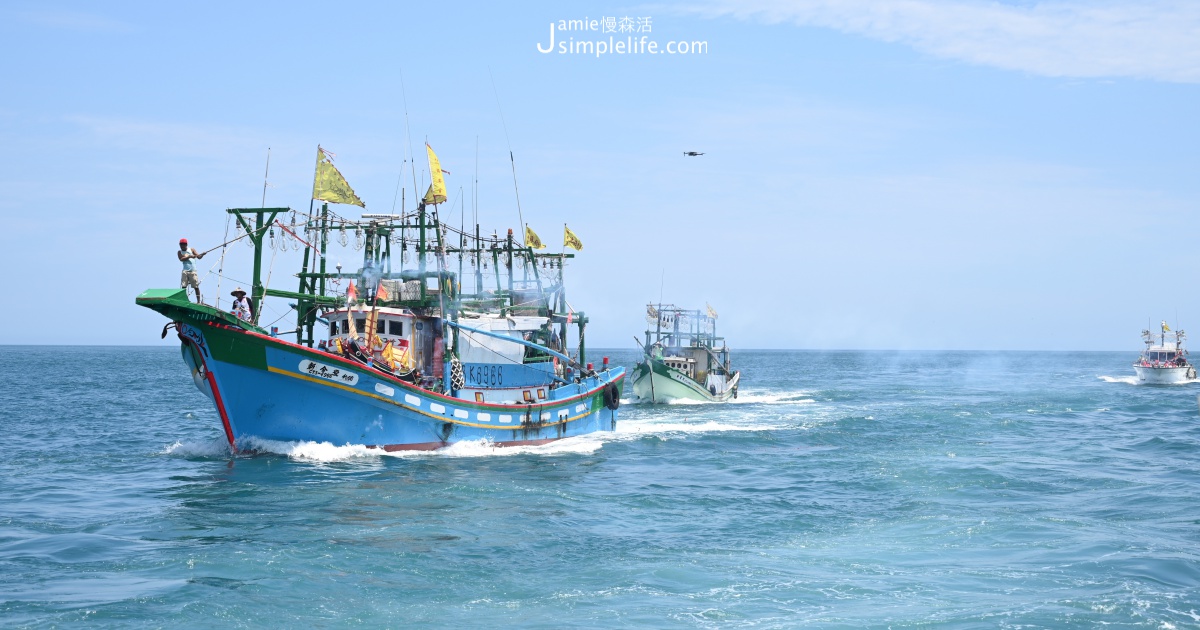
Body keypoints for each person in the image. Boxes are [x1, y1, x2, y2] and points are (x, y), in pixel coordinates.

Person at [178, 238, 205, 303]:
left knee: (196, 286)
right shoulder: (179, 252)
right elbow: (181, 259)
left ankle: (198, 301)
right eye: (181, 245)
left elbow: (198, 257)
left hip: (193, 271)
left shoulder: (191, 249)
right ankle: (183, 299)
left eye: (183, 245)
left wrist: (202, 254)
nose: (182, 246)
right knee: (184, 286)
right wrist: (189, 256)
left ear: (186, 245)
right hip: (185, 271)